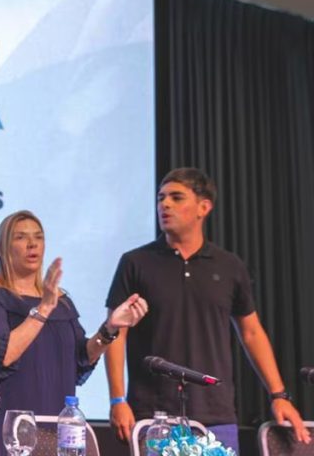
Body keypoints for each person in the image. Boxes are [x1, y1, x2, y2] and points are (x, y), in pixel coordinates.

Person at [105, 167, 311, 451]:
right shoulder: (135, 263)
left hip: (216, 416)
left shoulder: (229, 266)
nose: (164, 204)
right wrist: (117, 399)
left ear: (204, 207)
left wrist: (279, 395)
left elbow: (251, 333)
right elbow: (116, 334)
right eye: (161, 198)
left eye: (176, 198)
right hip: (154, 415)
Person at [0, 210, 148, 455]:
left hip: (53, 428)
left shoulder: (61, 301)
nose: (32, 244)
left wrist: (111, 327)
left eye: (38, 237)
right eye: (20, 237)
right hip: (6, 430)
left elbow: (81, 359)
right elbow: (3, 355)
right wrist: (43, 309)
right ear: (2, 248)